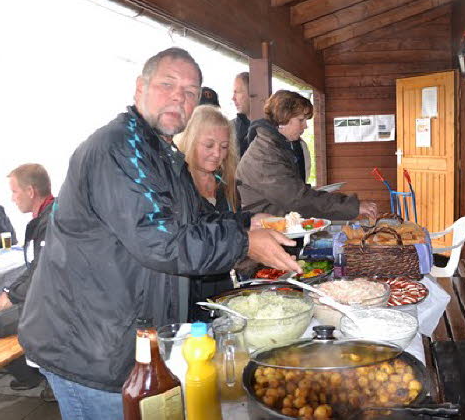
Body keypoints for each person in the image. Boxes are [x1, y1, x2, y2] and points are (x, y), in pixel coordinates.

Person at [18, 47, 300, 419]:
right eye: (168, 84)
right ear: (140, 88)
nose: (178, 98)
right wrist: (245, 241)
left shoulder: (162, 154)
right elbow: (160, 240)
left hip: (127, 340)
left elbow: (194, 223)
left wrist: (247, 223)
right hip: (90, 348)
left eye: (189, 91)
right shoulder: (117, 147)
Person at [0, 164, 55, 400]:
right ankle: (34, 372)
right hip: (43, 295)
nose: (12, 198)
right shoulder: (46, 216)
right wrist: (8, 292)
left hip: (53, 303)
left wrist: (13, 295)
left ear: (30, 191)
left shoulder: (53, 221)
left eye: (14, 192)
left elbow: (44, 273)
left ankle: (39, 376)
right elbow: (35, 266)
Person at [237, 90, 378, 220]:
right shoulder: (264, 155)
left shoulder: (276, 147)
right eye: (301, 120)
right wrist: (352, 206)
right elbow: (297, 199)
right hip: (262, 234)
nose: (305, 126)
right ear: (283, 119)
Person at [174, 105, 239, 321]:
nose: (217, 154)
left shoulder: (225, 185)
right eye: (209, 145)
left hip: (223, 293)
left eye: (223, 146)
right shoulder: (177, 188)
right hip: (187, 299)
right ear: (190, 140)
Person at [231, 72, 251, 156]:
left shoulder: (271, 128)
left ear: (252, 93)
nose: (233, 98)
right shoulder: (230, 128)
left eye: (237, 92)